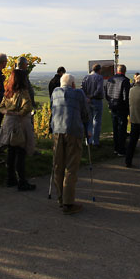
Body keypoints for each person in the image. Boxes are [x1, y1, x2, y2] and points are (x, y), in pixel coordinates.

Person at [50, 73, 90, 214]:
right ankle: (68, 203)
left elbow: (52, 109)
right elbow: (85, 114)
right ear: (73, 84)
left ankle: (61, 198)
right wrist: (87, 127)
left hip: (57, 130)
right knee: (71, 166)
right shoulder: (78, 93)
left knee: (58, 165)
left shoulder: (55, 92)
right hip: (73, 131)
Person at [0, 69, 37, 190]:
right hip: (19, 124)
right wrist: (18, 114)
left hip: (8, 123)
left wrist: (8, 112)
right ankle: (22, 181)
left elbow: (1, 107)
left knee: (11, 152)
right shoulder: (23, 92)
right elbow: (27, 108)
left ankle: (10, 179)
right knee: (21, 152)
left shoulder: (8, 92)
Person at [105, 64, 131, 156]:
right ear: (125, 71)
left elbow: (107, 94)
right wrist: (127, 107)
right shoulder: (125, 81)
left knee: (115, 128)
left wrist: (111, 102)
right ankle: (121, 149)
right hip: (122, 107)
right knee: (122, 128)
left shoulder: (110, 80)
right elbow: (126, 96)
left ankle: (116, 148)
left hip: (113, 106)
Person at [81, 64, 106, 147]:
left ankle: (88, 141)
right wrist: (92, 96)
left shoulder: (86, 77)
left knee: (89, 121)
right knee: (97, 121)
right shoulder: (99, 77)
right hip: (97, 100)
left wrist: (86, 98)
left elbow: (82, 89)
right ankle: (95, 142)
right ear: (99, 70)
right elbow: (99, 90)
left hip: (87, 102)